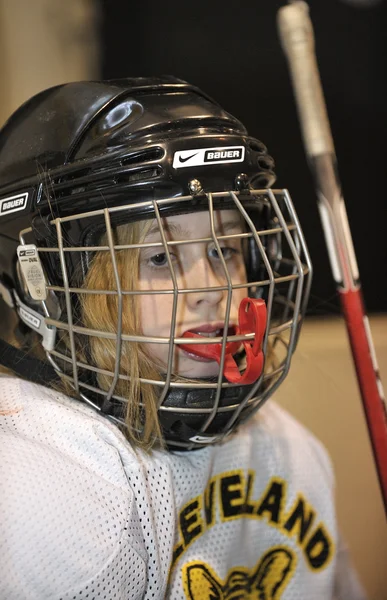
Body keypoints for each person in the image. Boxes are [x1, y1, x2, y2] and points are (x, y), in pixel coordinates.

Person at [0, 76, 366, 599]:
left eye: (224, 249)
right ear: (50, 288)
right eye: (158, 257)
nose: (211, 290)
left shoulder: (290, 448)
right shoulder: (47, 477)